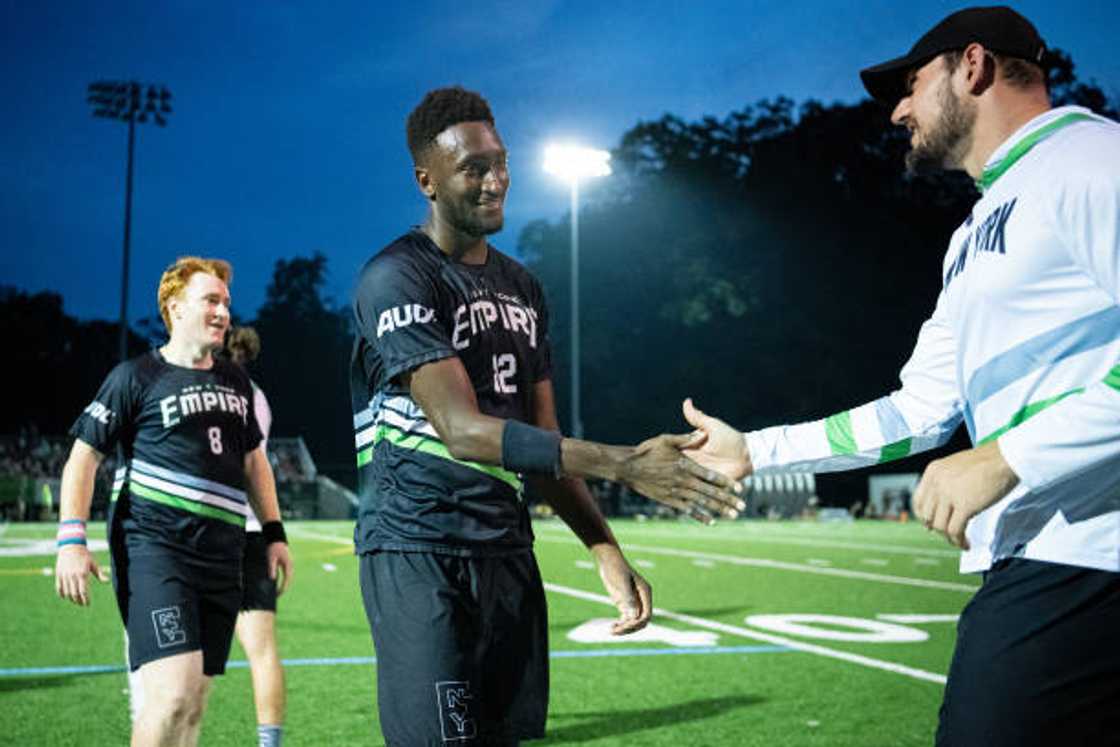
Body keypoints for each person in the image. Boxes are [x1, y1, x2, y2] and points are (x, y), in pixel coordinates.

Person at [680, 7, 1120, 745]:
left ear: (973, 66)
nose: (899, 110)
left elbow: (991, 447)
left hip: (1083, 560)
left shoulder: (1092, 161)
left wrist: (1010, 455)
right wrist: (756, 452)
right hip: (1047, 559)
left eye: (913, 84)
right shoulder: (973, 234)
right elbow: (916, 413)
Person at [350, 86, 743, 745]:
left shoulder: (524, 287)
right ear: (427, 179)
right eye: (473, 167)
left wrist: (604, 548)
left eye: (501, 161)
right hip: (419, 547)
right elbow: (463, 430)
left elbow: (545, 442)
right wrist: (625, 462)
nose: (496, 178)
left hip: (506, 551)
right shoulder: (396, 278)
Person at [55, 257, 293, 747]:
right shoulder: (135, 377)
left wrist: (274, 534)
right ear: (174, 307)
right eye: (211, 300)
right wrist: (71, 540)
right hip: (156, 552)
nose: (224, 311)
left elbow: (255, 464)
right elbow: (83, 458)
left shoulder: (237, 383)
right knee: (170, 696)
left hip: (221, 558)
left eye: (226, 302)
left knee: (192, 704)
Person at [225, 326, 287, 747]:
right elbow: (259, 466)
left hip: (210, 530)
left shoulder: (207, 386)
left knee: (183, 659)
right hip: (250, 530)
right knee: (262, 651)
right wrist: (273, 532)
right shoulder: (257, 395)